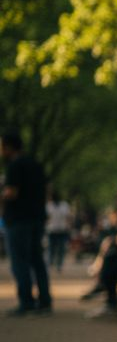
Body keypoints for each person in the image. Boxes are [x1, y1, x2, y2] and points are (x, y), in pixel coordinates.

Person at [2, 131, 52, 316]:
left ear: (8, 146)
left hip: (18, 219)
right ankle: (45, 300)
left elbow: (11, 193)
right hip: (36, 218)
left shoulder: (14, 165)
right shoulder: (36, 164)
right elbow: (47, 189)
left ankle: (27, 301)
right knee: (37, 259)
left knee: (20, 261)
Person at [46, 189, 73, 273]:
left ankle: (59, 265)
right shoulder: (49, 205)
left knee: (61, 248)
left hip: (62, 229)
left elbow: (68, 217)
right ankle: (50, 264)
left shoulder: (64, 205)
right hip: (52, 230)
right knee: (51, 248)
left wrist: (68, 226)